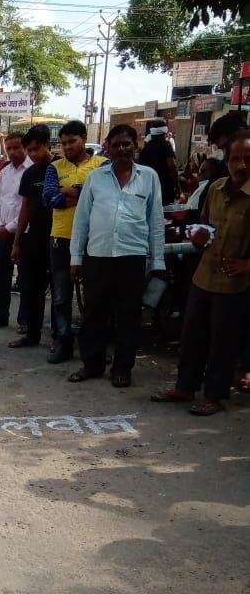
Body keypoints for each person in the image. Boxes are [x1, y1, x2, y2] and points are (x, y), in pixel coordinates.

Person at [152, 135, 250, 415]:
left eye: (247, 159)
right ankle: (185, 387)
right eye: (235, 159)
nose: (241, 165)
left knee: (223, 341)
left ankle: (214, 395)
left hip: (234, 283)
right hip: (204, 276)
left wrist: (247, 265)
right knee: (192, 335)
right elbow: (205, 224)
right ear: (227, 161)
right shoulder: (216, 188)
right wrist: (199, 236)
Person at [68, 123, 165, 388]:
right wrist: (76, 258)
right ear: (108, 148)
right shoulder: (95, 178)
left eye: (127, 144)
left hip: (132, 257)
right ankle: (92, 364)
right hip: (98, 256)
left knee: (128, 316)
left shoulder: (149, 177)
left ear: (135, 146)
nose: (122, 149)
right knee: (93, 314)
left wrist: (157, 261)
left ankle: (122, 369)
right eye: (116, 144)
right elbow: (82, 220)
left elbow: (155, 221)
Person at [42, 120, 107, 363]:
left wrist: (67, 190)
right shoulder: (54, 167)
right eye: (64, 143)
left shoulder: (102, 165)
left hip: (95, 239)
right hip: (61, 237)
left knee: (94, 296)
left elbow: (103, 198)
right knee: (61, 296)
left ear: (84, 138)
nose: (67, 147)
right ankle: (63, 341)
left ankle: (93, 347)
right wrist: (83, 194)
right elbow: (48, 198)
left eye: (72, 142)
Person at [9, 125, 53, 348]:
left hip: (59, 238)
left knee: (60, 291)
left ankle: (60, 338)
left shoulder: (60, 168)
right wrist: (17, 243)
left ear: (47, 145)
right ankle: (32, 334)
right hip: (34, 238)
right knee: (32, 288)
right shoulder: (30, 174)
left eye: (37, 149)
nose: (33, 154)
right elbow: (24, 209)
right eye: (30, 150)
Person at [0, 133, 31, 328]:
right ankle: (0, 314)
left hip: (25, 233)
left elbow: (27, 208)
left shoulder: (32, 171)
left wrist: (9, 227)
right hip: (2, 232)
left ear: (25, 147)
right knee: (1, 275)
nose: (12, 152)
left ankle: (25, 319)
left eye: (16, 147)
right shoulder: (5, 171)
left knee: (26, 277)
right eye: (9, 148)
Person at [137, 119, 179, 207]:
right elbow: (172, 168)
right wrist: (178, 187)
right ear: (164, 133)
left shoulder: (145, 149)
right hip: (164, 188)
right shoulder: (166, 145)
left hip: (147, 188)